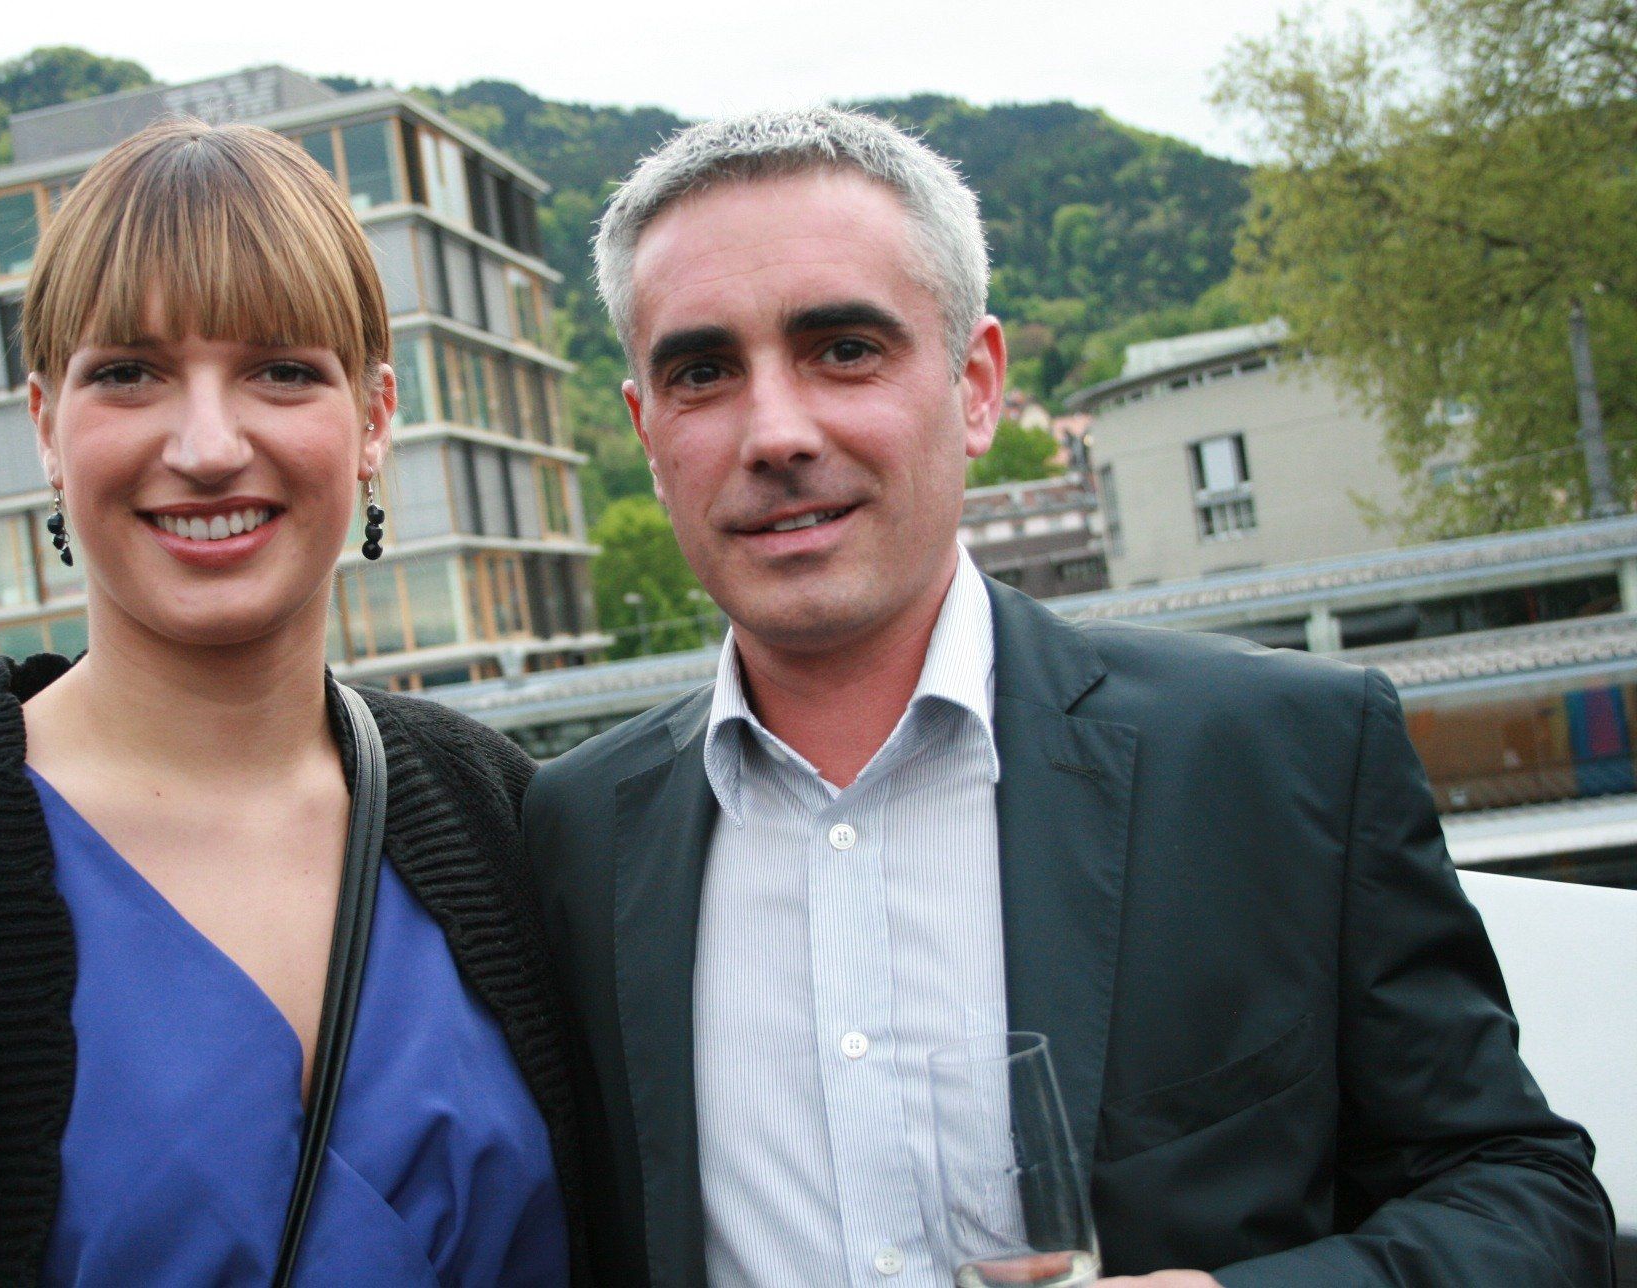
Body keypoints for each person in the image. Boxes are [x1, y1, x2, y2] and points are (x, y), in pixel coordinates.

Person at [521, 108, 1615, 1286]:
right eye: (701, 373)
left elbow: (1526, 1198)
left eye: (843, 349)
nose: (775, 432)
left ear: (977, 386)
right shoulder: (573, 836)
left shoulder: (1280, 758)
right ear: (645, 431)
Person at [0, 120, 582, 1286]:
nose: (207, 446)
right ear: (44, 425)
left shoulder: (504, 819)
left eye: (281, 369)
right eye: (128, 372)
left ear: (374, 419)